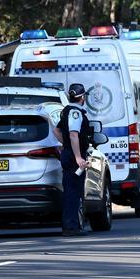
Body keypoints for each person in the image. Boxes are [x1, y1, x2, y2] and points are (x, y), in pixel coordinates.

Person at [54, 83, 91, 236]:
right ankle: (71, 227)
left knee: (72, 191)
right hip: (74, 156)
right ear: (82, 97)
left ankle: (72, 225)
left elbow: (56, 130)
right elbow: (74, 134)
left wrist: (65, 145)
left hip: (69, 153)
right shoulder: (75, 113)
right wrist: (77, 157)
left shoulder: (66, 111)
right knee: (73, 192)